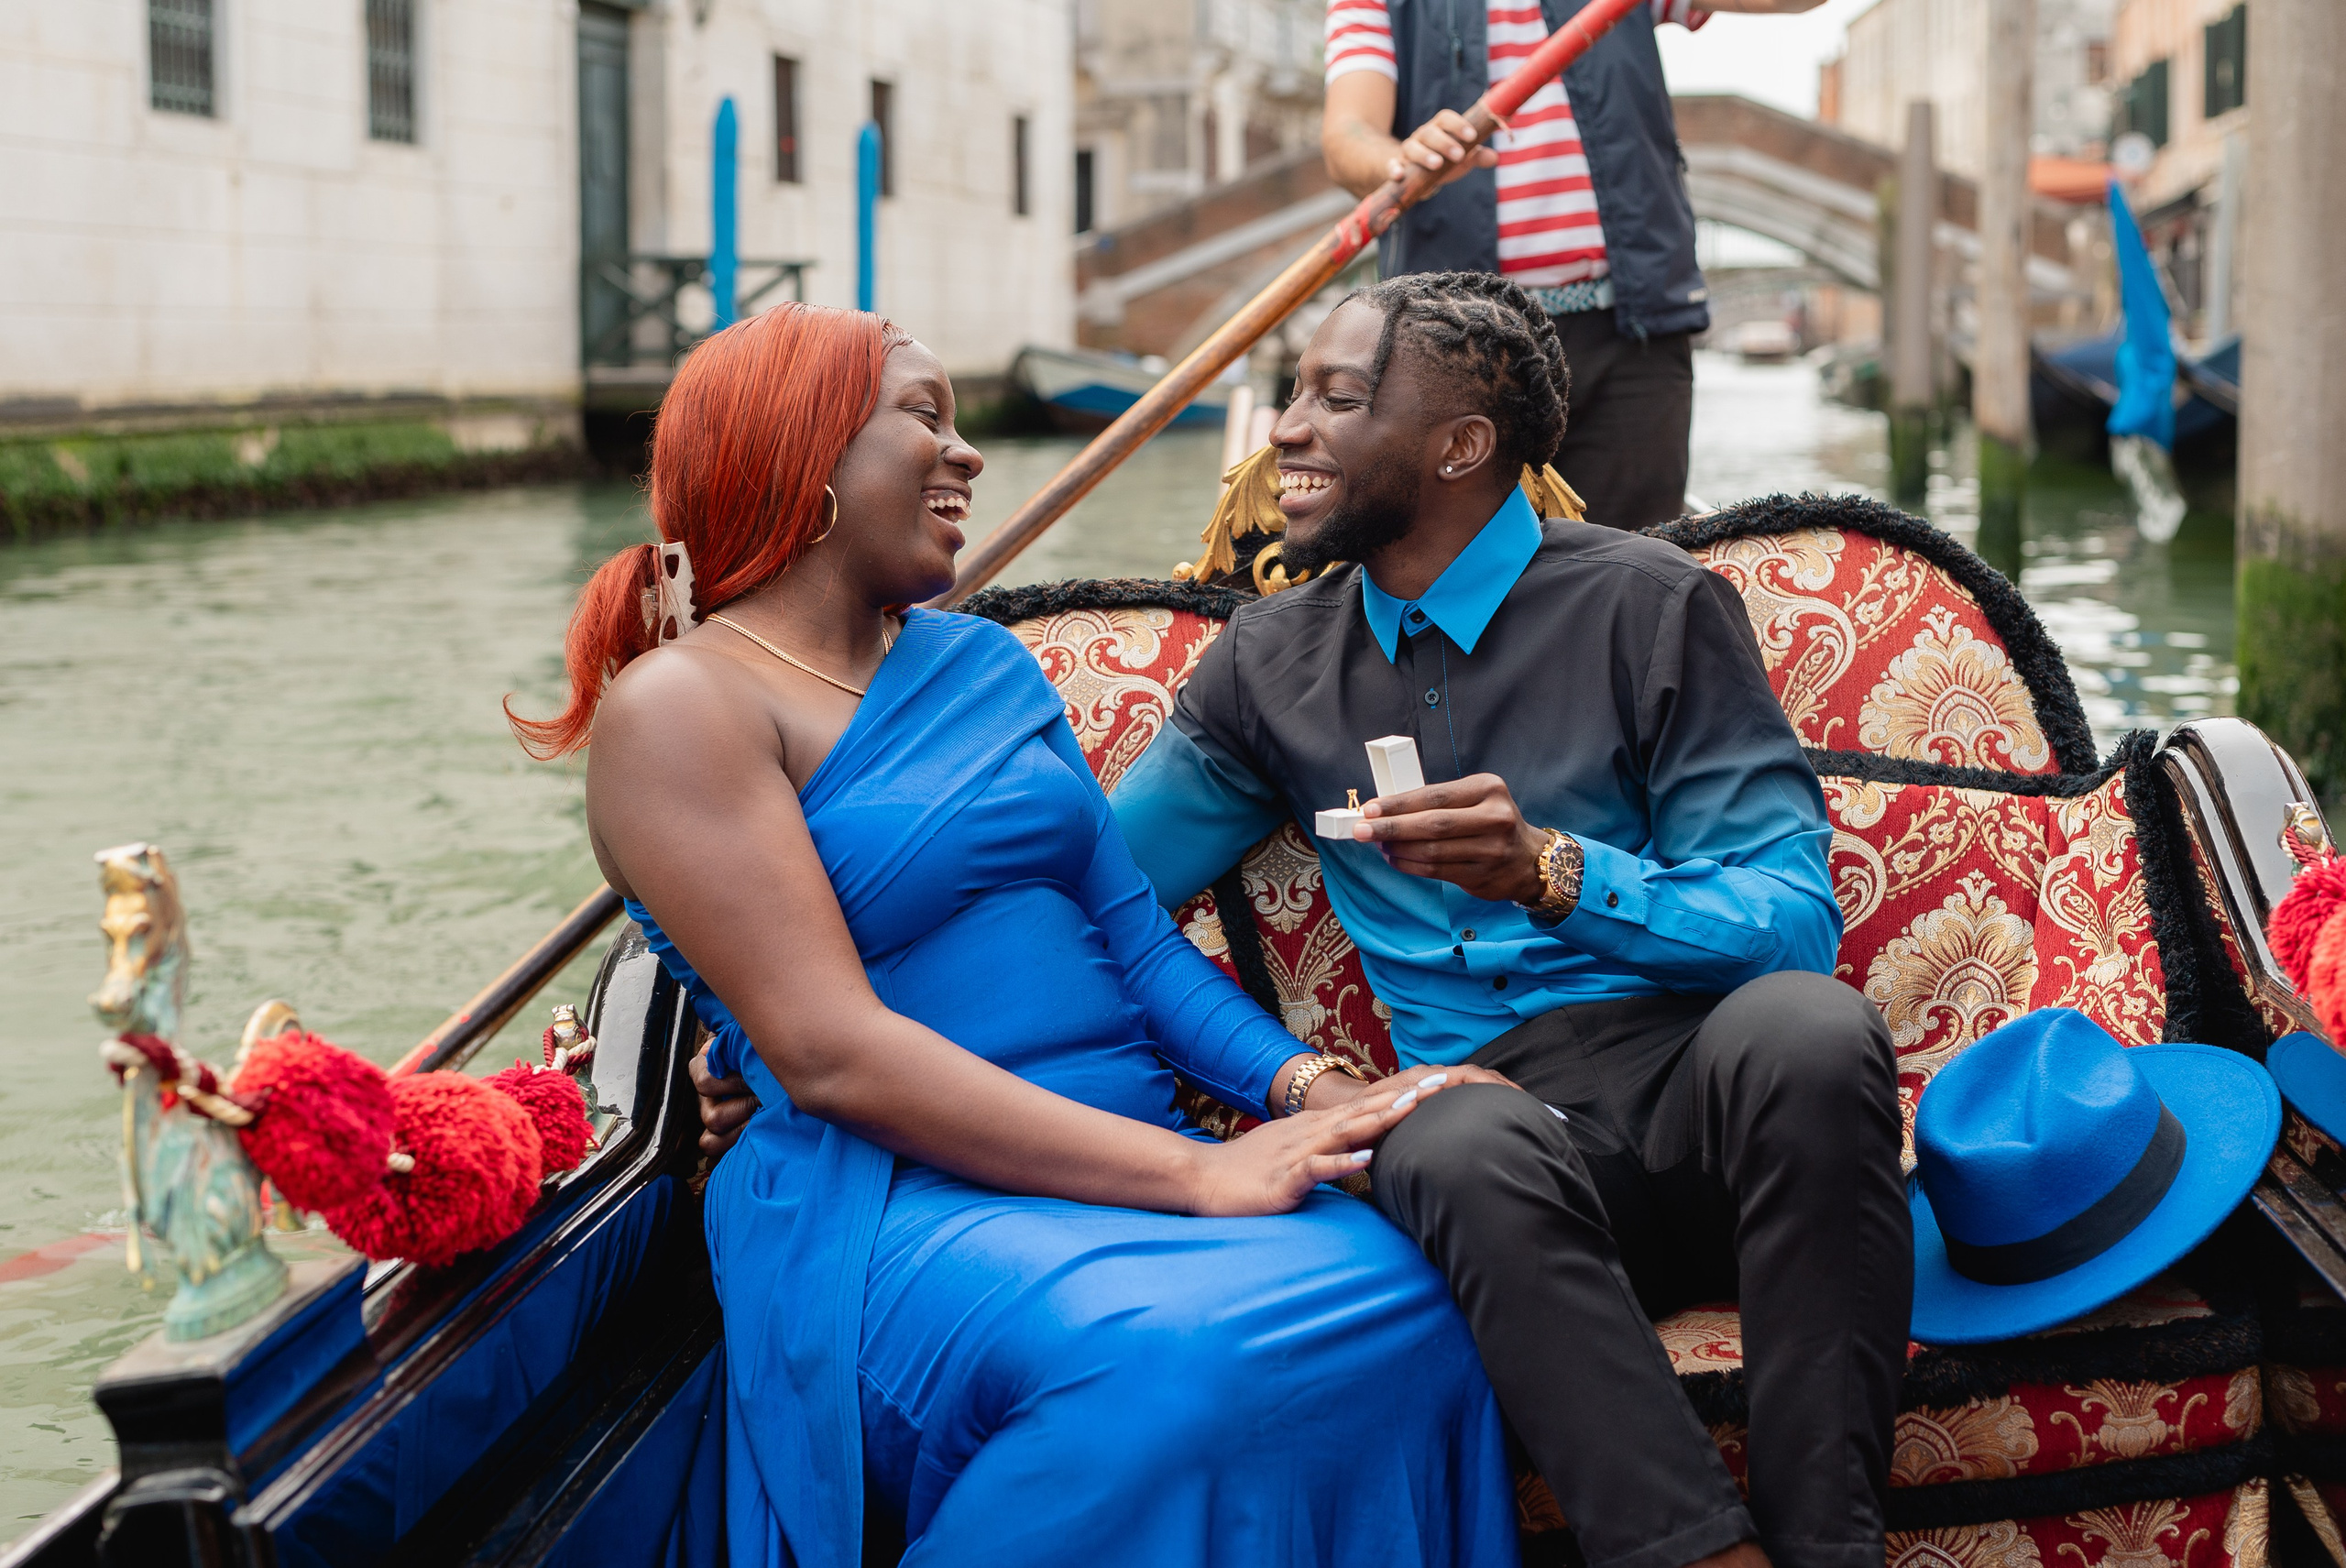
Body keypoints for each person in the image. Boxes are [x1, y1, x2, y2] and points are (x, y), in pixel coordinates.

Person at [510, 301, 1520, 1568]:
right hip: (890, 1203)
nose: (967, 450)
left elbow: (1137, 952)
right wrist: (1201, 1176)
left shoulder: (982, 667)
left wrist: (1328, 1096)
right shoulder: (681, 707)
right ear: (801, 457)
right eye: (923, 416)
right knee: (1173, 1363)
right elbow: (830, 1054)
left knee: (1420, 1289)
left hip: (1118, 1164)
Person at [1116, 274, 1908, 1568]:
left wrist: (1554, 872)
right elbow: (1102, 897)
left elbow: (1789, 923)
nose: (1286, 429)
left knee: (1810, 1028)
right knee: (1447, 1130)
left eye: (1336, 397)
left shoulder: (1651, 604)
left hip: (1707, 1094)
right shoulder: (1268, 664)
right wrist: (1298, 1080)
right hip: (1501, 1143)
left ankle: (1834, 1549)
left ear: (1460, 445)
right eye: (1293, 393)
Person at [1321, 0, 1823, 528]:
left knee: (1635, 562)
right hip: (1457, 348)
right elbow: (1348, 137)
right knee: (1456, 559)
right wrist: (1403, 162)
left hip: (1631, 332)